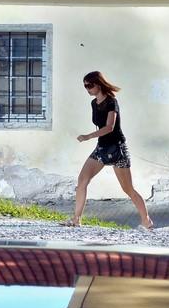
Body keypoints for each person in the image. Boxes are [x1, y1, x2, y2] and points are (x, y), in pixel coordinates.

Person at [62, 71, 154, 230]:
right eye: (85, 86)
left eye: (90, 85)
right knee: (82, 180)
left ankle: (146, 221)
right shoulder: (93, 103)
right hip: (101, 149)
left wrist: (88, 136)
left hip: (117, 149)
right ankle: (76, 219)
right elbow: (100, 125)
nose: (87, 89)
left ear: (99, 84)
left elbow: (109, 127)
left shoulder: (112, 102)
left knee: (128, 189)